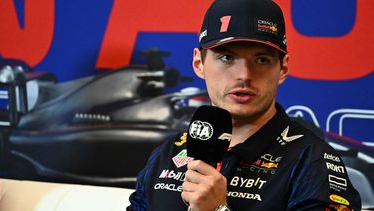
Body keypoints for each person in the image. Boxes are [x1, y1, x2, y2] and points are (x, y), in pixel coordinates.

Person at [127, 0, 362, 210]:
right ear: (199, 63)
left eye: (261, 60)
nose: (244, 75)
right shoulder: (168, 153)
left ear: (283, 68)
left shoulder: (311, 161)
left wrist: (219, 210)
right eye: (226, 58)